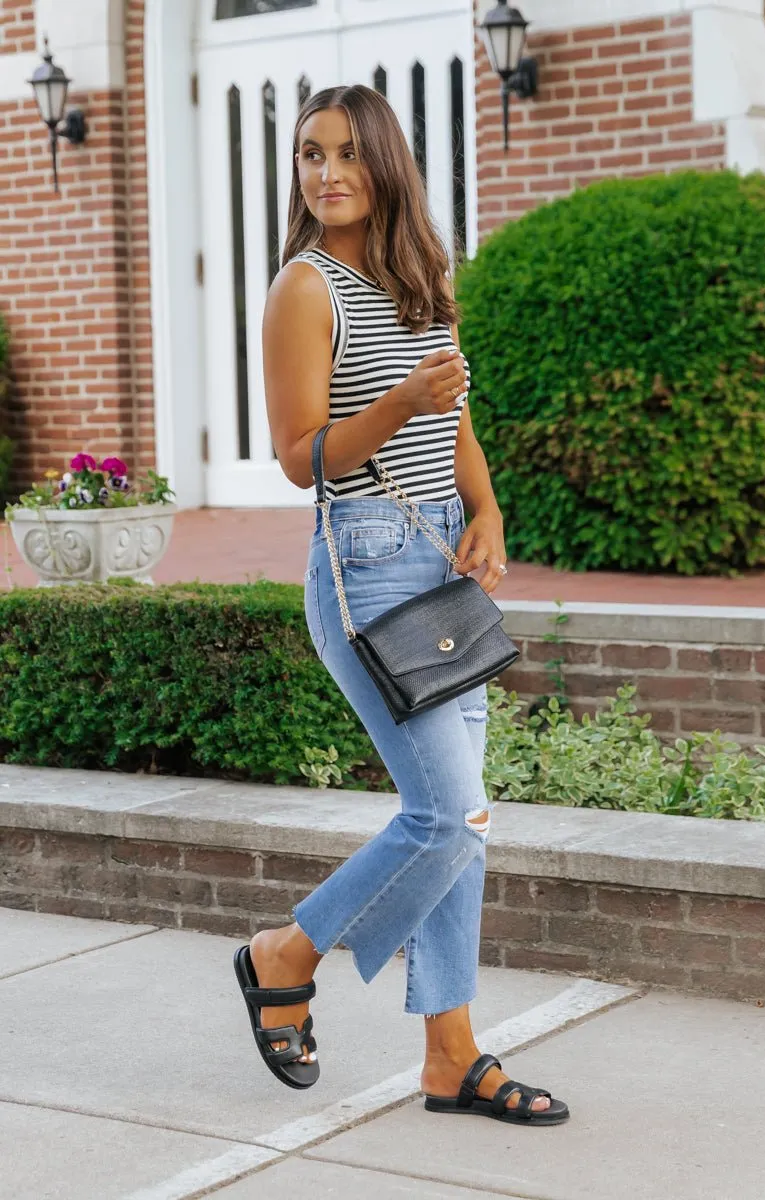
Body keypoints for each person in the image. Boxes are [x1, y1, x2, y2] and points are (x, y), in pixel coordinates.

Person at [233, 84, 569, 1127]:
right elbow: (301, 462)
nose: (325, 173)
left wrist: (488, 511)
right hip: (365, 569)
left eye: (343, 153)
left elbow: (454, 415)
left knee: (462, 824)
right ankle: (282, 955)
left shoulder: (423, 279)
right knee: (449, 816)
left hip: (439, 567)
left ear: (383, 161)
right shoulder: (304, 289)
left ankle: (450, 1057)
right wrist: (395, 404)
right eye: (307, 156)